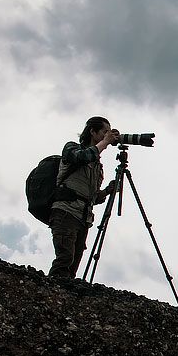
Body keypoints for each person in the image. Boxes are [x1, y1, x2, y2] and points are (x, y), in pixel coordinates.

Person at [48, 116, 119, 279]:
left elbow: (92, 197)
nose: (106, 136)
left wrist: (108, 190)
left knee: (73, 266)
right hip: (65, 211)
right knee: (64, 259)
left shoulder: (97, 166)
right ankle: (50, 294)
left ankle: (65, 297)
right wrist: (104, 143)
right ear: (92, 132)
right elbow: (82, 157)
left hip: (83, 217)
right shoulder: (72, 148)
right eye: (104, 132)